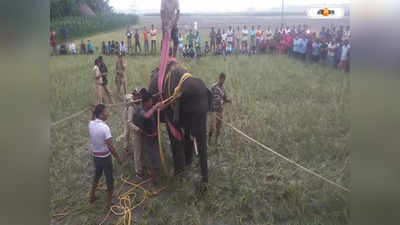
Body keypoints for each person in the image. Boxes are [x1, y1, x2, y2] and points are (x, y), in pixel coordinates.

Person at [88, 104, 122, 209]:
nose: (108, 114)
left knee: (97, 175)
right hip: (105, 157)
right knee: (109, 179)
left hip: (95, 156)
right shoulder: (105, 128)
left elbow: (92, 119)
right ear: (101, 114)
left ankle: (92, 196)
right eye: (106, 112)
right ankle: (109, 202)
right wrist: (118, 158)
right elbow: (111, 147)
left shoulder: (90, 123)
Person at [135, 88, 166, 187]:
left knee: (155, 159)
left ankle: (154, 177)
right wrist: (156, 106)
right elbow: (147, 116)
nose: (152, 103)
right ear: (145, 103)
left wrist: (160, 98)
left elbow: (155, 100)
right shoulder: (141, 111)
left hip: (155, 137)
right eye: (150, 102)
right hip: (149, 139)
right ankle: (151, 182)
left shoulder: (149, 106)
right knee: (154, 160)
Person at [126, 90, 145, 179]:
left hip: (143, 132)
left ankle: (142, 165)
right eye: (136, 96)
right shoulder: (131, 108)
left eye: (139, 95)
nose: (138, 97)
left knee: (142, 150)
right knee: (137, 152)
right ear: (134, 96)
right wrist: (137, 129)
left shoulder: (141, 105)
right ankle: (138, 171)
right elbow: (129, 122)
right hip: (136, 133)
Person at [209, 73, 231, 145]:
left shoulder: (223, 89)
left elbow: (224, 99)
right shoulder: (213, 87)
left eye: (223, 79)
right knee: (212, 127)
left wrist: (228, 101)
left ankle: (216, 140)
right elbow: (208, 96)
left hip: (220, 110)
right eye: (221, 79)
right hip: (213, 110)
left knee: (219, 127)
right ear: (219, 78)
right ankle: (209, 140)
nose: (222, 81)